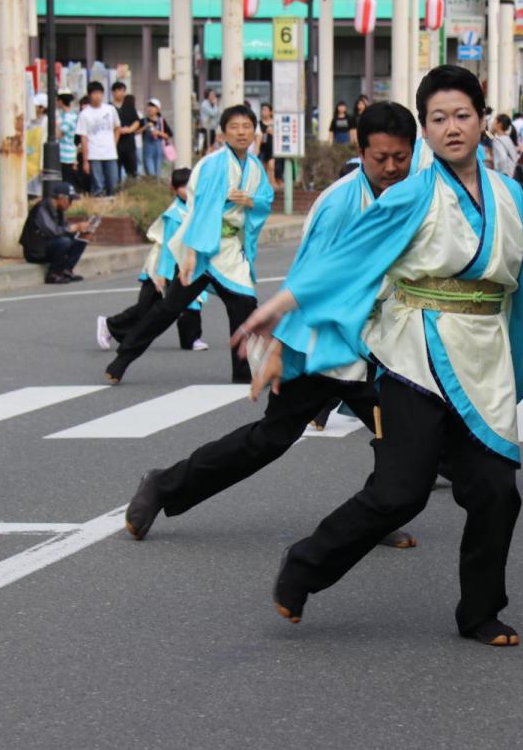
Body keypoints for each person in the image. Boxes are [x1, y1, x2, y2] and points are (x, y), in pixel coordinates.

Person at [237, 65, 523, 648]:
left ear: (483, 120)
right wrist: (284, 302)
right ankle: (305, 565)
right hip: (416, 353)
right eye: (438, 119)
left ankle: (480, 612)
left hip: (484, 358)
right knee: (400, 491)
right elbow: (349, 256)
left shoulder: (514, 196)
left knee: (496, 492)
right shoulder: (412, 194)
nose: (452, 128)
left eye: (462, 115)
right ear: (426, 133)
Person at [122, 102, 425, 548]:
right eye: (380, 159)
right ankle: (163, 484)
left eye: (401, 158)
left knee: (401, 437)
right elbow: (306, 278)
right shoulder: (339, 202)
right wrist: (282, 347)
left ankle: (376, 513)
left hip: (379, 345)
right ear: (360, 151)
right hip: (325, 343)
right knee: (269, 440)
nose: (392, 168)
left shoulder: (412, 193)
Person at [104, 104, 274, 384]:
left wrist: (251, 201)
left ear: (254, 131)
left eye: (246, 126)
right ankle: (123, 358)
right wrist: (193, 254)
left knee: (244, 306)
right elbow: (202, 209)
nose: (241, 132)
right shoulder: (212, 165)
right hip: (203, 249)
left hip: (231, 249)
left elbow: (265, 199)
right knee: (168, 309)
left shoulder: (254, 167)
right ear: (223, 133)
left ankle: (243, 372)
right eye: (234, 127)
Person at [97, 167, 208, 353]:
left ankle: (191, 339)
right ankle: (109, 325)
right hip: (160, 265)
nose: (186, 190)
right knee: (145, 308)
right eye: (181, 186)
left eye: (189, 186)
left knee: (191, 300)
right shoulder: (174, 215)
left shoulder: (195, 209)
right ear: (173, 189)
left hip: (184, 264)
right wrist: (162, 274)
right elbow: (166, 248)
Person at [19, 182, 92, 284]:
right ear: (62, 197)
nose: (71, 204)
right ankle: (54, 274)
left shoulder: (59, 210)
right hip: (36, 251)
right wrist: (75, 227)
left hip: (48, 245)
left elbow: (65, 228)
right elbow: (53, 231)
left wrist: (81, 230)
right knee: (64, 241)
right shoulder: (42, 208)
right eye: (70, 200)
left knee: (83, 237)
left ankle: (66, 270)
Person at [77, 81, 121, 196]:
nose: (98, 96)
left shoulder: (110, 110)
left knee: (113, 184)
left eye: (100, 93)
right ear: (89, 95)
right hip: (94, 154)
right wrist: (85, 161)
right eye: (95, 93)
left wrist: (113, 143)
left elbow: (117, 128)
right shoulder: (84, 114)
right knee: (98, 185)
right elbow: (83, 137)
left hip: (110, 153)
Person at [112, 84, 143, 180]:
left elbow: (137, 121)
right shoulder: (109, 107)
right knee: (115, 173)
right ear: (113, 92)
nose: (122, 93)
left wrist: (129, 129)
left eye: (123, 91)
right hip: (115, 145)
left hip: (129, 144)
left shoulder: (129, 106)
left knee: (132, 172)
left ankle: (132, 191)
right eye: (119, 90)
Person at [56, 91, 81, 191]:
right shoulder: (62, 115)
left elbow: (60, 134)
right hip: (61, 153)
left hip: (67, 154)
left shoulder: (70, 116)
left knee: (67, 180)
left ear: (61, 101)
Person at [141, 97, 171, 178]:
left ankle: (157, 188)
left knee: (158, 173)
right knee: (150, 173)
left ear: (158, 109)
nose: (150, 108)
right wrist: (145, 127)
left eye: (153, 106)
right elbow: (136, 132)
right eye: (149, 106)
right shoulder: (143, 120)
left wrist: (158, 133)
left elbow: (168, 135)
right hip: (147, 150)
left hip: (159, 150)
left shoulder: (162, 120)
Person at [199, 89, 221, 154]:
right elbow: (213, 113)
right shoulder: (204, 104)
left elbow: (218, 115)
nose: (213, 96)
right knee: (204, 147)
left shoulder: (213, 104)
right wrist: (216, 105)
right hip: (205, 129)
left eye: (213, 94)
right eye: (211, 94)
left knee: (211, 146)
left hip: (212, 128)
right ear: (207, 95)